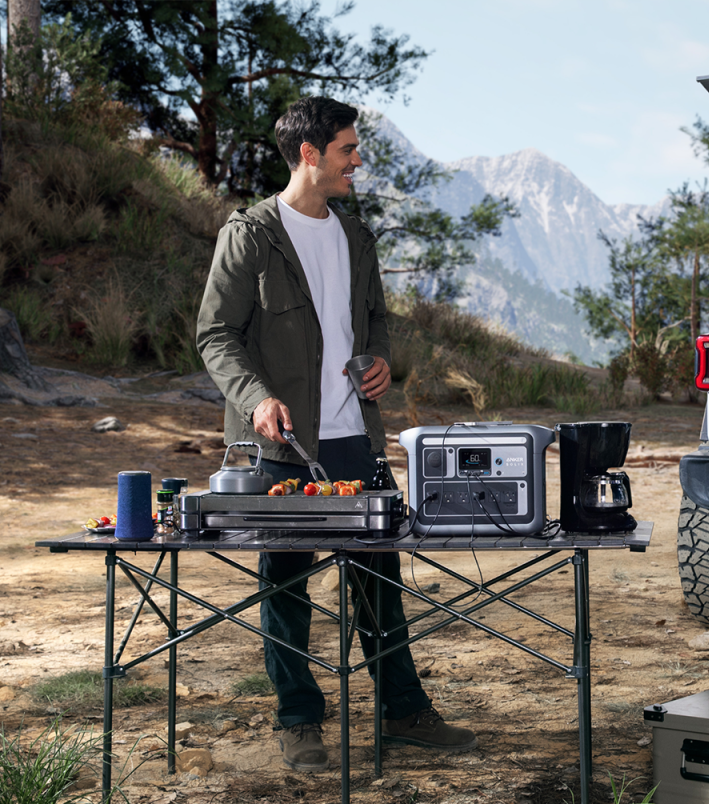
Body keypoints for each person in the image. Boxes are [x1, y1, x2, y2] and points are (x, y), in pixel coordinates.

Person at [197, 96, 476, 772]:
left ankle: (405, 711)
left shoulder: (356, 235)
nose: (358, 162)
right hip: (282, 444)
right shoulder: (251, 233)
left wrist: (380, 358)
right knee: (284, 584)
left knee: (379, 579)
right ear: (310, 155)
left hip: (356, 437)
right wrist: (255, 396)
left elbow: (375, 320)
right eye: (349, 150)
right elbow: (214, 335)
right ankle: (299, 722)